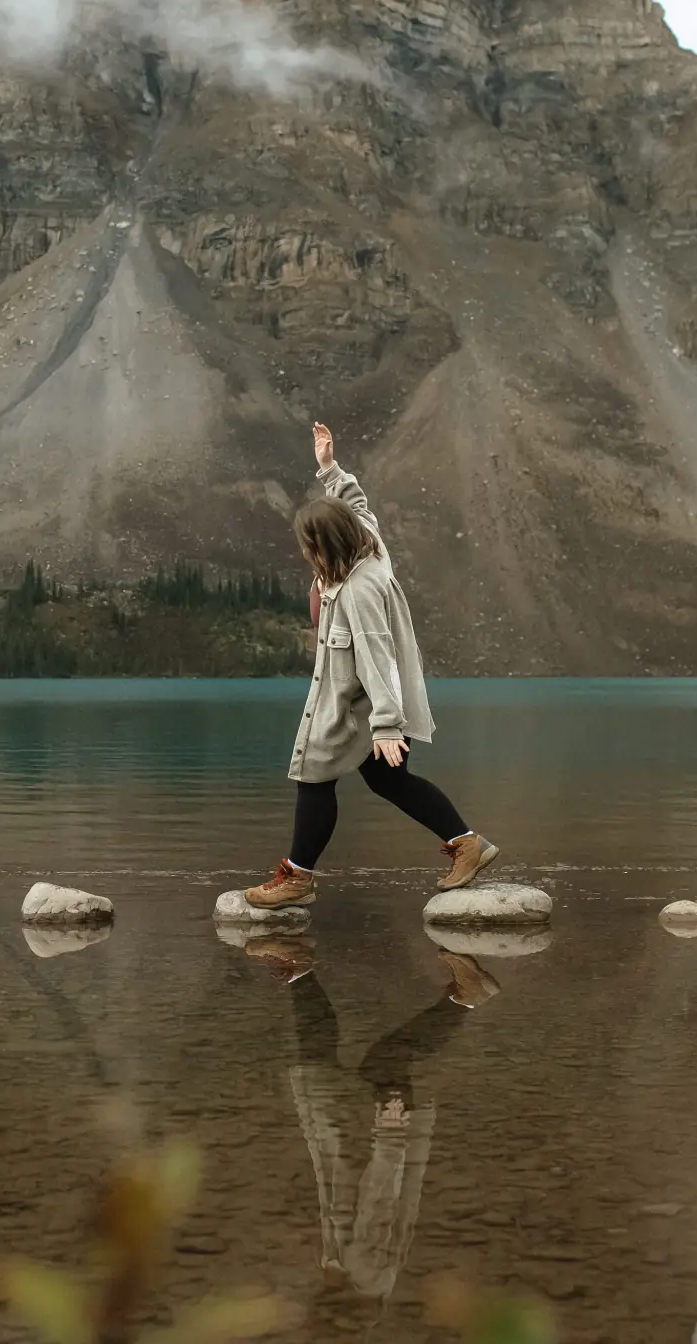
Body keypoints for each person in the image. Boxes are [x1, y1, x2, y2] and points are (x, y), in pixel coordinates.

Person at [243, 423, 495, 909]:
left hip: (356, 705)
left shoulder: (360, 589)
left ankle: (297, 877)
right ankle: (467, 844)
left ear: (327, 545)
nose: (303, 553)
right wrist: (328, 468)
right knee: (389, 780)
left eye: (308, 545)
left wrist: (386, 726)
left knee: (314, 776)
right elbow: (358, 508)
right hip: (365, 704)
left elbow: (378, 657)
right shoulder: (368, 545)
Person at [243, 936, 498, 1332]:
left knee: (320, 1060)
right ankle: (464, 998)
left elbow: (348, 1199)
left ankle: (299, 973)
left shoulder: (359, 1276)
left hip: (355, 1134)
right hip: (376, 1133)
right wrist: (392, 1136)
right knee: (377, 1063)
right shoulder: (364, 1272)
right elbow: (380, 1200)